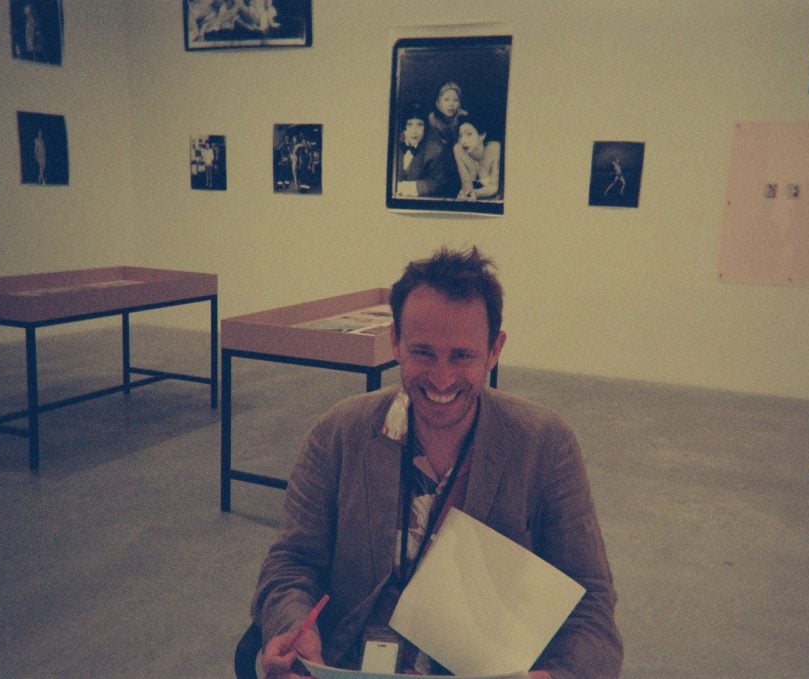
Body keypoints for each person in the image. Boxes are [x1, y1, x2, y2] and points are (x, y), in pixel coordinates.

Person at [252, 247, 623, 677]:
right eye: (423, 352)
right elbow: (291, 563)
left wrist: (560, 675)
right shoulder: (339, 433)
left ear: (494, 349)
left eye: (462, 356)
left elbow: (590, 603)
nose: (442, 378)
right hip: (349, 661)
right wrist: (294, 627)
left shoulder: (545, 445)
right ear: (395, 342)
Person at [395, 103, 458, 198]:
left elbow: (437, 182)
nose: (414, 131)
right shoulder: (394, 144)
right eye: (409, 124)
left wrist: (403, 188)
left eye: (420, 125)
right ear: (404, 126)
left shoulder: (435, 149)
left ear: (426, 127)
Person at [453, 114, 502, 201]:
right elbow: (466, 185)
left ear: (482, 135)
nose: (463, 140)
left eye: (469, 134)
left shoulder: (494, 148)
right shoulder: (458, 150)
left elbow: (495, 187)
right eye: (461, 136)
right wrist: (468, 193)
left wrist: (476, 193)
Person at [426, 81, 466, 148]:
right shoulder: (432, 120)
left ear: (459, 103)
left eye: (455, 100)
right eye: (446, 100)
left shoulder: (464, 117)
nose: (451, 104)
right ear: (438, 103)